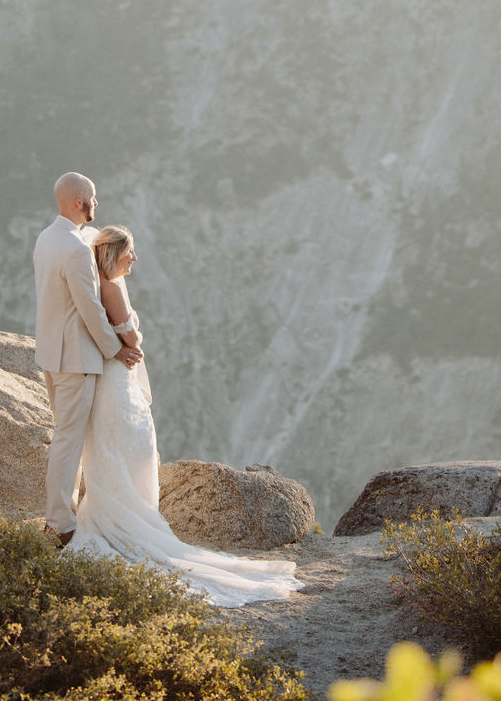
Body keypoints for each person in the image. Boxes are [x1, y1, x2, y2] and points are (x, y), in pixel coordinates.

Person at [68, 221, 301, 607]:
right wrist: (133, 338)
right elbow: (132, 336)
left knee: (120, 447)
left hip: (113, 377)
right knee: (132, 447)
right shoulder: (110, 287)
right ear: (113, 254)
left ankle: (121, 512)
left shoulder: (103, 285)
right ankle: (131, 518)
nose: (135, 259)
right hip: (116, 383)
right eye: (130, 253)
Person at [33, 172, 143, 544]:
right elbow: (90, 310)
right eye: (93, 198)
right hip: (76, 359)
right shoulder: (77, 249)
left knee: (65, 436)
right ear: (79, 200)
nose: (96, 203)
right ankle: (60, 523)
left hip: (51, 353)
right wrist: (118, 350)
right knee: (69, 440)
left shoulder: (47, 238)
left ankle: (62, 515)